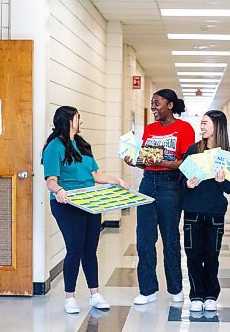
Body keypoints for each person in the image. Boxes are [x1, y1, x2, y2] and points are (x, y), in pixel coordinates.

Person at [42, 105, 128, 314]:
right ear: (68, 120)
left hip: (90, 202)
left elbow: (96, 175)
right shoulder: (54, 147)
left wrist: (116, 180)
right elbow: (51, 181)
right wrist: (60, 190)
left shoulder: (82, 144)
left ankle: (94, 294)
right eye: (79, 118)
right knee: (75, 249)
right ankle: (69, 297)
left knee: (90, 249)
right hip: (67, 203)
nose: (82, 121)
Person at [124, 89, 195, 305]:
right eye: (152, 104)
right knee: (144, 239)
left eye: (157, 103)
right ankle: (147, 289)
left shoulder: (184, 128)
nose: (154, 107)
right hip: (148, 183)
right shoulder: (150, 129)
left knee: (170, 238)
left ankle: (175, 287)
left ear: (170, 105)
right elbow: (146, 160)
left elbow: (186, 161)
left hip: (171, 184)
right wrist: (133, 161)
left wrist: (162, 163)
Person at [179, 110, 230, 312]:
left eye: (205, 123)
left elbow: (229, 189)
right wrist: (188, 183)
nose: (201, 127)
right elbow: (181, 181)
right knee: (193, 254)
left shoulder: (228, 154)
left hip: (215, 213)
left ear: (217, 126)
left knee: (212, 255)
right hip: (193, 211)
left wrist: (221, 181)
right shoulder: (193, 150)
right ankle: (196, 294)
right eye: (201, 124)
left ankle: (211, 294)